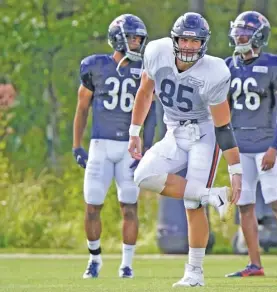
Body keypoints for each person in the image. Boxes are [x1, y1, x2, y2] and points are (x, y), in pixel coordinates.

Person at [128, 12, 242, 287]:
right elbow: (145, 92)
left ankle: (195, 272)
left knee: (192, 204)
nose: (189, 46)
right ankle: (212, 196)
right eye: (185, 39)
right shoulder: (156, 52)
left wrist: (235, 169)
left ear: (204, 43)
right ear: (174, 39)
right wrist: (135, 132)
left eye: (195, 41)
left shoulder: (214, 72)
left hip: (204, 134)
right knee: (142, 176)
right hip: (174, 131)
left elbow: (223, 126)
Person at [224, 11, 277, 277]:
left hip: (264, 145)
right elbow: (223, 109)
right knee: (244, 206)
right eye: (238, 31)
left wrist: (275, 146)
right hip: (240, 148)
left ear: (259, 36)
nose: (240, 36)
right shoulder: (228, 65)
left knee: (275, 201)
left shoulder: (275, 66)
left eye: (245, 32)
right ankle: (254, 264)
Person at [72, 14, 156, 279]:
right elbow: (82, 108)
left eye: (139, 38)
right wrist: (77, 145)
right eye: (133, 37)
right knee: (92, 205)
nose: (137, 42)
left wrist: (148, 149)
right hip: (100, 145)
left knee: (129, 206)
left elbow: (151, 113)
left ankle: (127, 264)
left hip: (128, 148)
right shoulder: (95, 66)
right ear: (118, 38)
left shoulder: (144, 68)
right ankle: (94, 259)